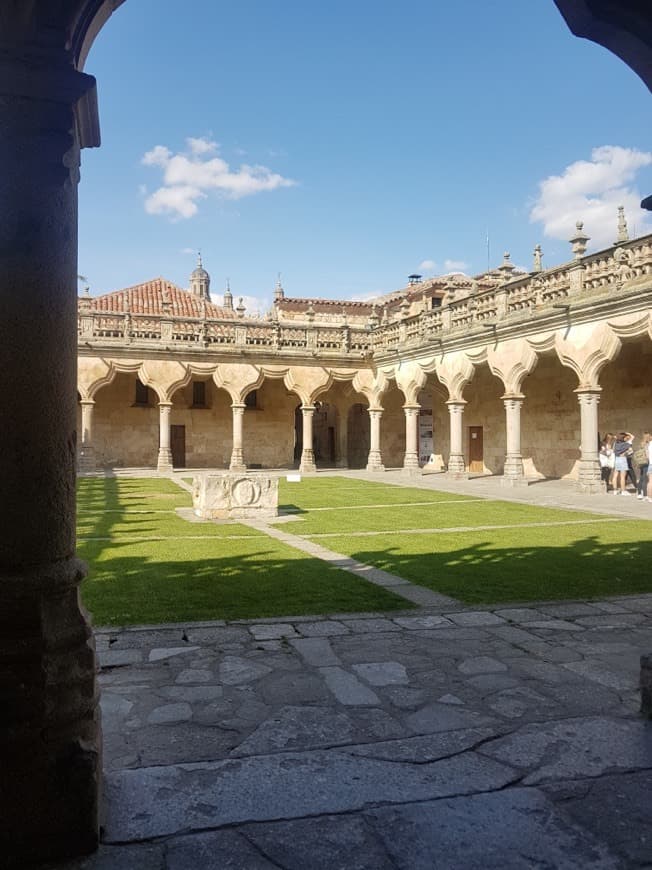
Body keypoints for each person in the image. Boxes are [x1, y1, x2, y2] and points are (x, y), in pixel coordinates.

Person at [634, 431, 651, 500]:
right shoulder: (647, 444)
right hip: (646, 462)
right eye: (650, 436)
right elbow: (647, 454)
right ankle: (645, 494)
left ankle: (639, 493)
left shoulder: (641, 443)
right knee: (645, 479)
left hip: (641, 462)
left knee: (641, 477)